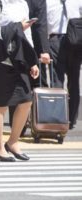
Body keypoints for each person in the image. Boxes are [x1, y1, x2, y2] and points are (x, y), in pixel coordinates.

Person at [0, 0, 39, 162]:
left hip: (19, 53)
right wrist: (16, 28)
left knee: (26, 100)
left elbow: (27, 33)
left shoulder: (23, 3)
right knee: (1, 103)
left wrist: (33, 61)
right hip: (0, 54)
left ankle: (13, 142)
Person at [9, 0, 51, 136]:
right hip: (31, 48)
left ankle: (17, 129)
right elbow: (40, 26)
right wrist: (44, 50)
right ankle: (42, 123)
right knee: (38, 84)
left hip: (13, 46)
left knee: (15, 85)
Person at [46, 0, 82, 129]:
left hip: (66, 39)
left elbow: (43, 24)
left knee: (58, 80)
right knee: (71, 81)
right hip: (72, 40)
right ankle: (70, 119)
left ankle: (58, 118)